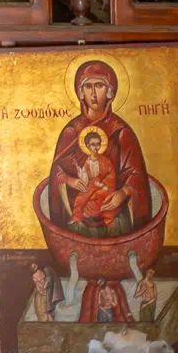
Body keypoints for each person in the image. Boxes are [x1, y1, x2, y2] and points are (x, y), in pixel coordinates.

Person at [49, 60, 152, 238]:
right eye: (88, 86)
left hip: (114, 215)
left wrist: (123, 193)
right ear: (81, 92)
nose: (94, 93)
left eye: (99, 86)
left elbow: (137, 176)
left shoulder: (121, 132)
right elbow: (56, 171)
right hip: (79, 218)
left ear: (110, 91)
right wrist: (69, 180)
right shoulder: (72, 132)